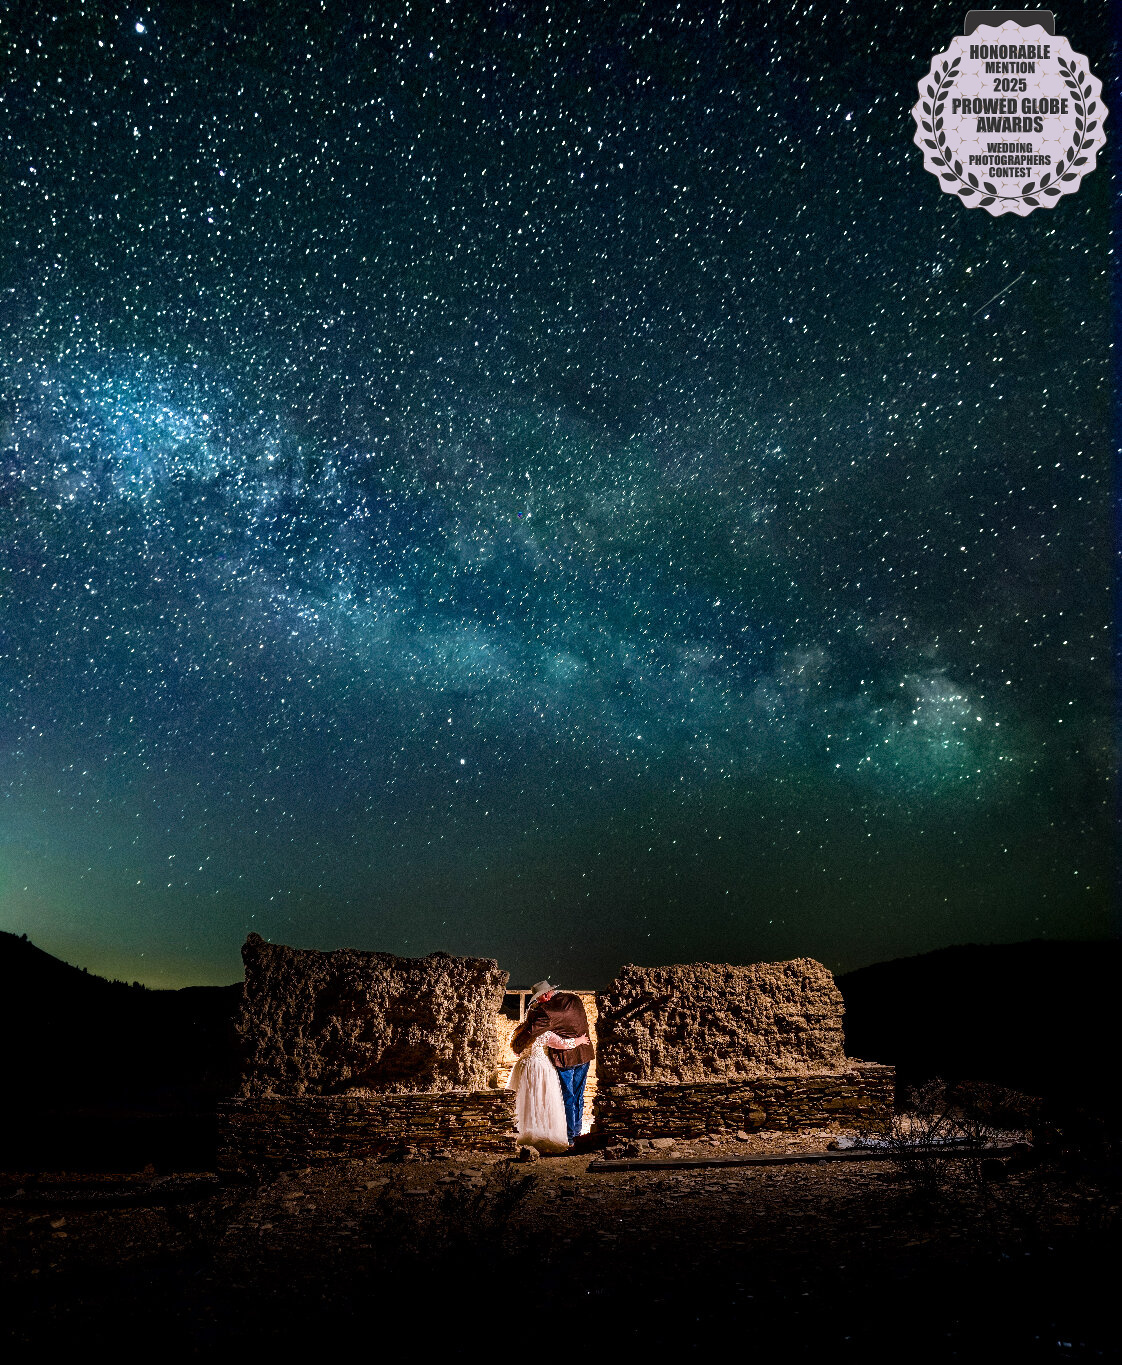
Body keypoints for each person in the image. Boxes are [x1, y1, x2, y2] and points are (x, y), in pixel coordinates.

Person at [508, 980, 594, 1150]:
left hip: (565, 1059)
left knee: (567, 1097)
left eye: (539, 998)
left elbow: (533, 1033)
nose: (538, 1002)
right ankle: (577, 1132)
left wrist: (517, 1046)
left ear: (546, 995)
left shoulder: (546, 1012)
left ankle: (570, 1137)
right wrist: (580, 1040)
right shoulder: (574, 1000)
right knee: (578, 1096)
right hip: (585, 1054)